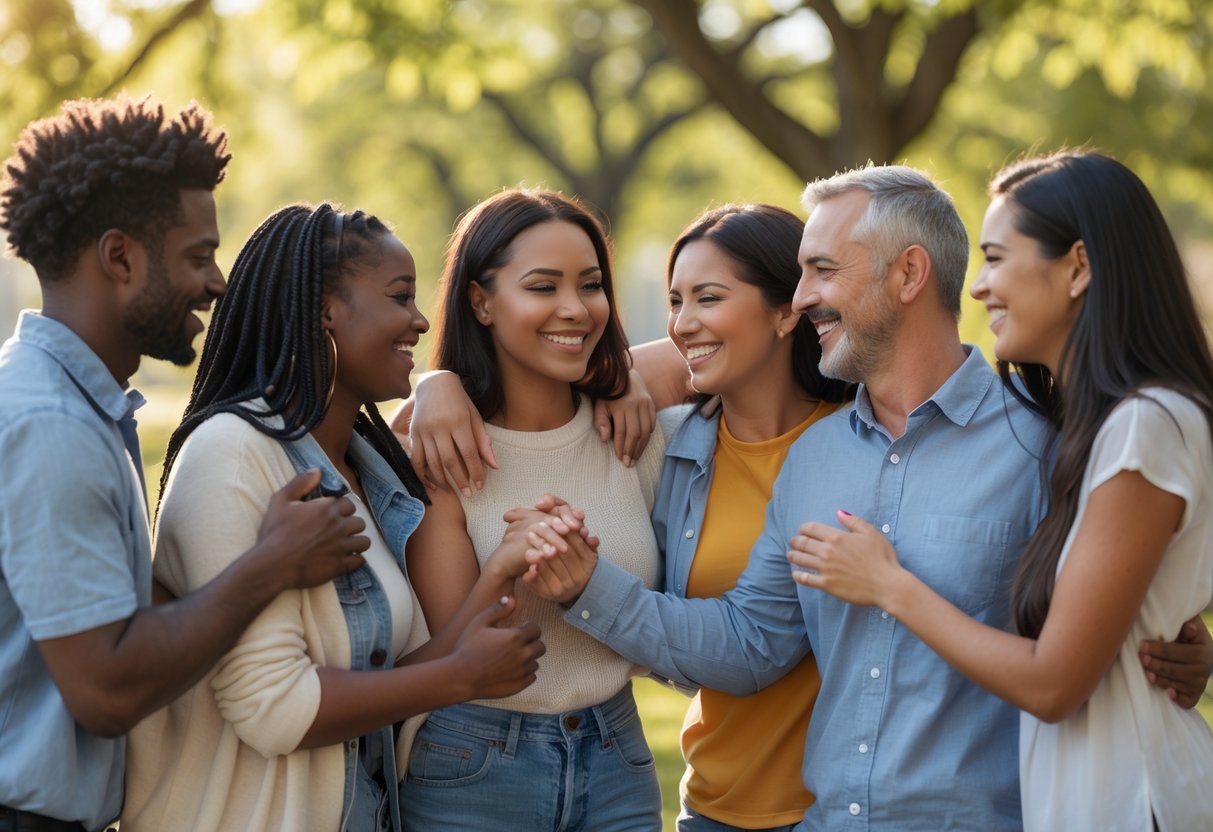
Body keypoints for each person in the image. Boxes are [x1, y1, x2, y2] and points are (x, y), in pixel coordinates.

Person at [515, 165, 1213, 830]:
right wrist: (589, 587)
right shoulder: (812, 458)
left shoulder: (1046, 439)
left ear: (908, 273)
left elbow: (1105, 617)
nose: (801, 297)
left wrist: (1161, 640)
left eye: (821, 270)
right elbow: (752, 642)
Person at [790, 151, 1213, 830]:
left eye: (994, 258)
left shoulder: (1144, 425)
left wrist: (888, 586)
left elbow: (1051, 684)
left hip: (1136, 804)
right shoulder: (1085, 427)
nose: (978, 287)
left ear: (1077, 267)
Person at [0, 96, 368, 832]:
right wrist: (271, 564)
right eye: (197, 256)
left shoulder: (80, 404)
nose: (219, 282)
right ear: (119, 258)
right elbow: (106, 689)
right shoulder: (51, 424)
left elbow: (112, 616)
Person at [120, 203, 550, 832]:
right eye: (400, 296)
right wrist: (459, 677)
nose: (421, 319)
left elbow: (386, 682)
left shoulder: (363, 468)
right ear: (324, 309)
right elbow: (274, 708)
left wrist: (502, 574)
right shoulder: (234, 454)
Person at [396, 189, 666, 831]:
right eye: (542, 287)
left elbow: (736, 340)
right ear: (481, 301)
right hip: (475, 761)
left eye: (591, 284)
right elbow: (450, 659)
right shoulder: (440, 451)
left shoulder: (637, 430)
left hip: (617, 755)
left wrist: (624, 375)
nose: (575, 309)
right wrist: (433, 382)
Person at [653, 204, 851, 831]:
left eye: (707, 297)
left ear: (787, 309)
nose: (683, 325)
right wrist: (442, 383)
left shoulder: (869, 439)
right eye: (675, 301)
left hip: (846, 813)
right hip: (711, 810)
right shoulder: (665, 448)